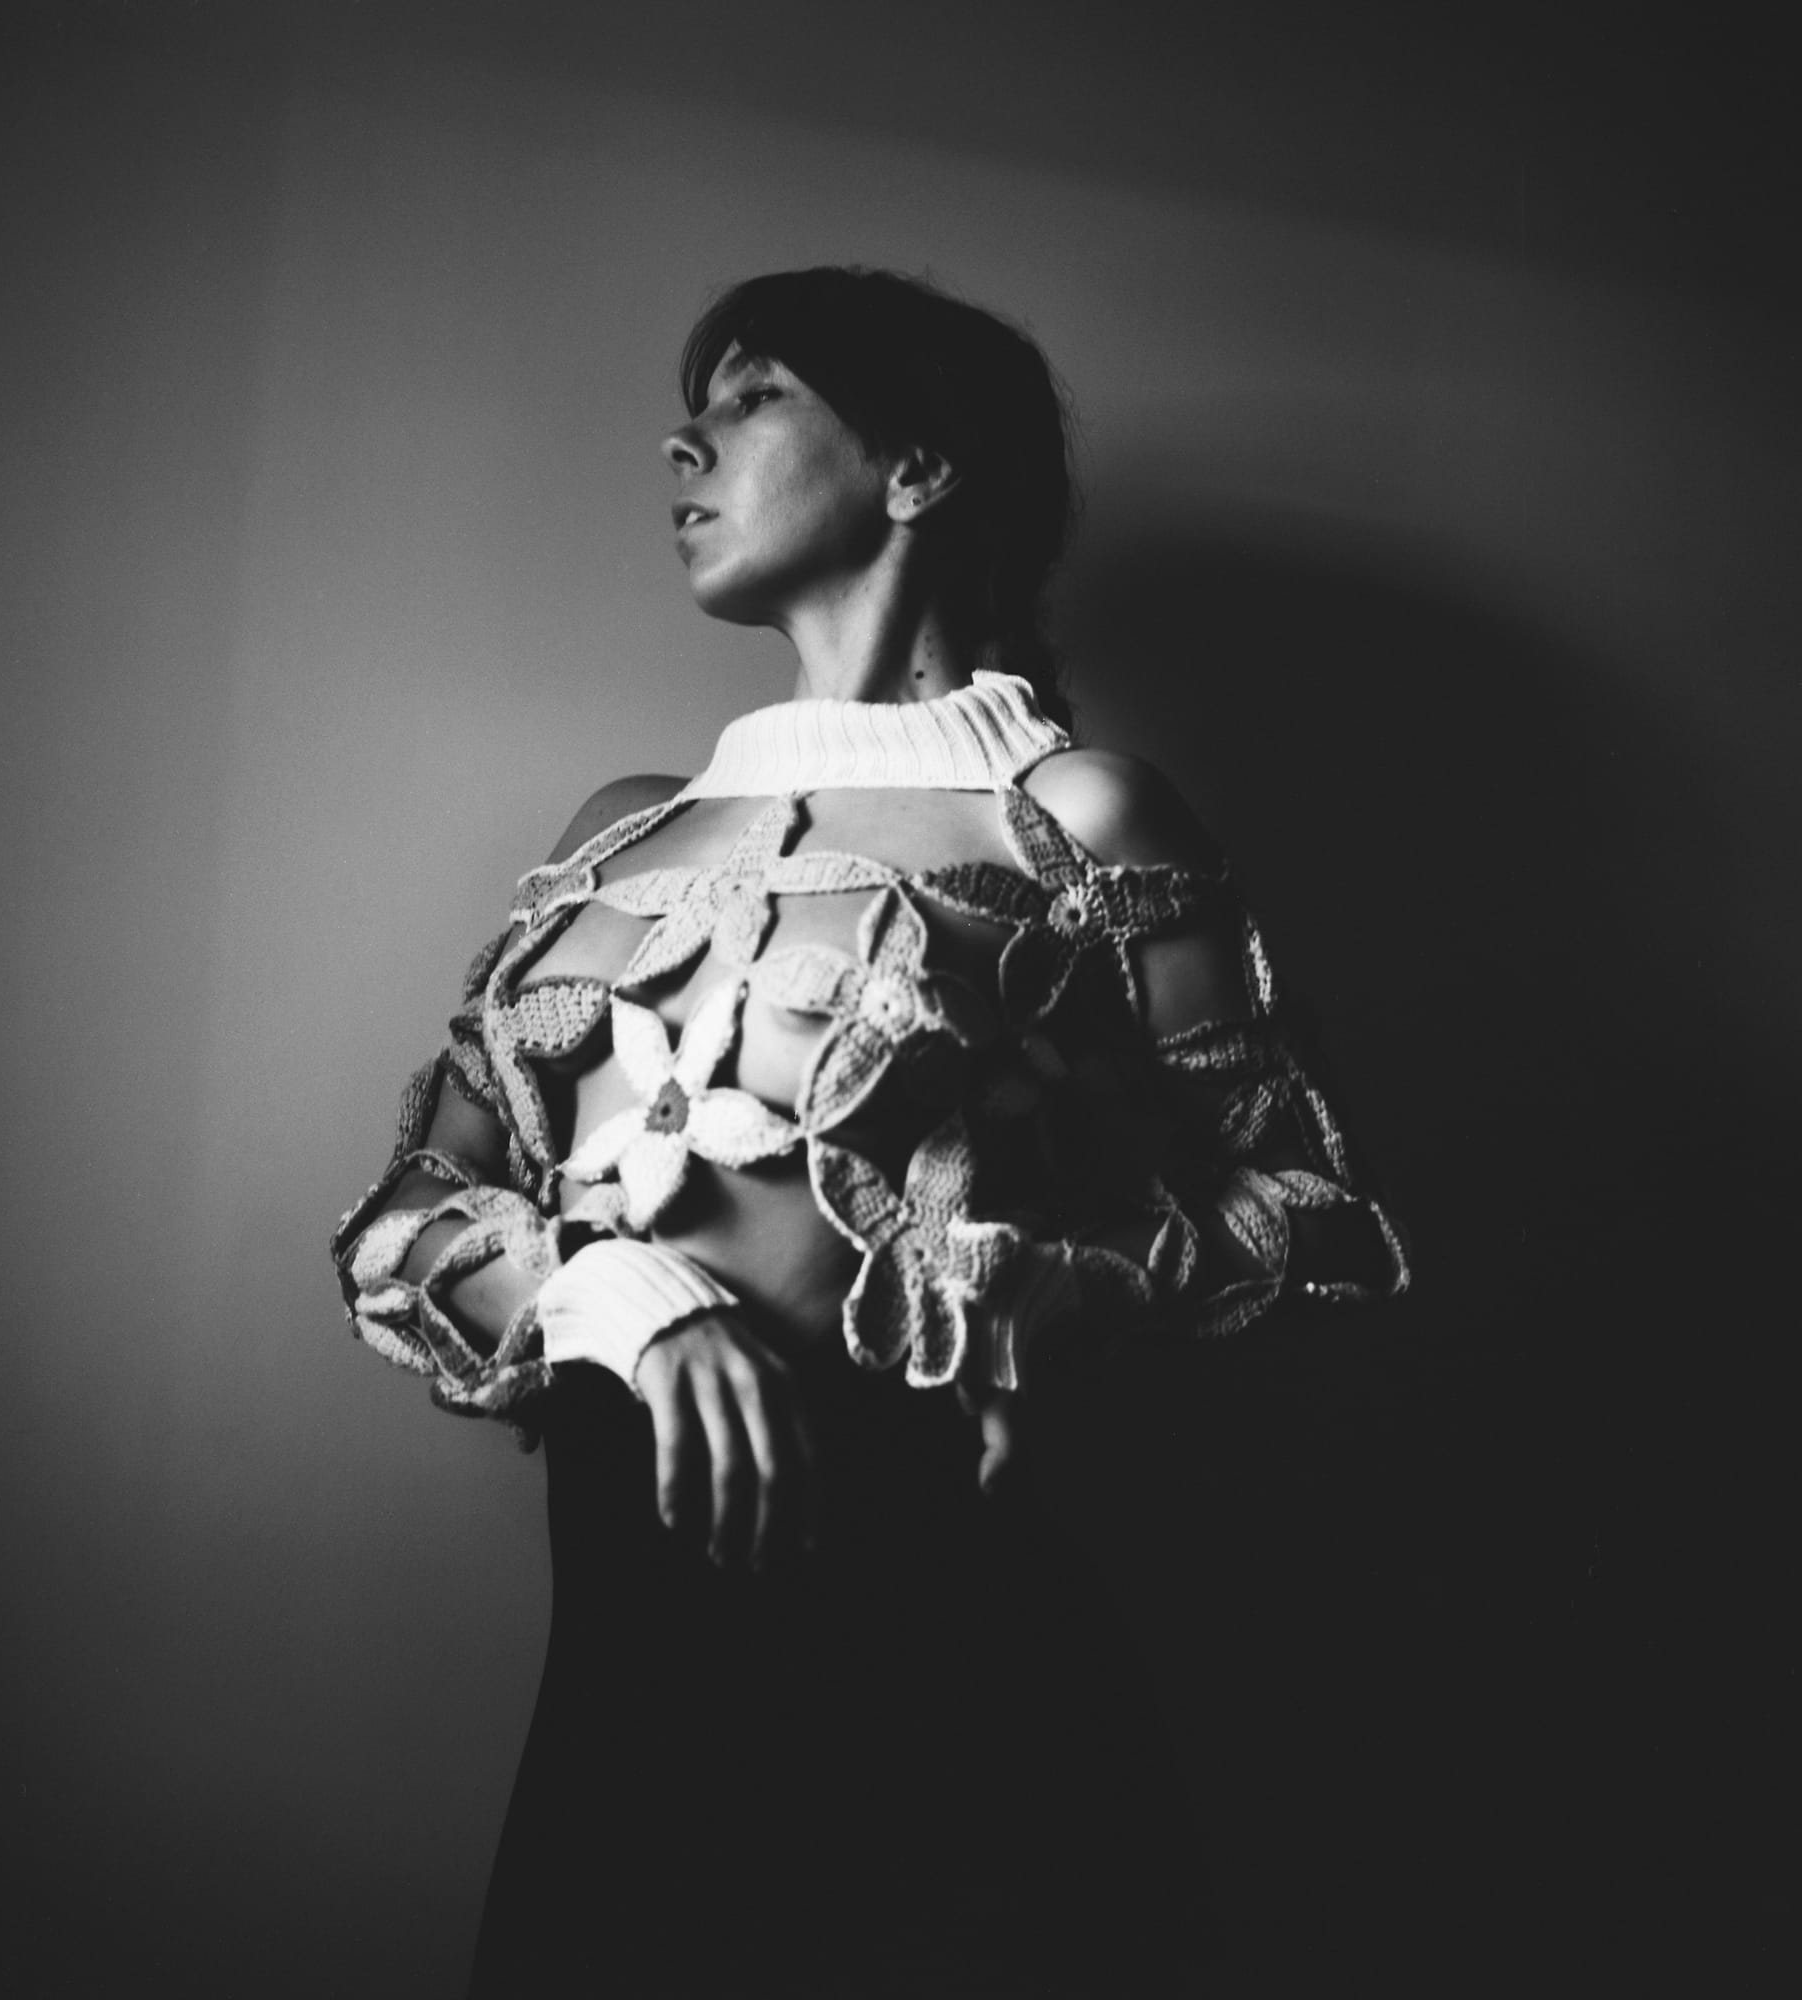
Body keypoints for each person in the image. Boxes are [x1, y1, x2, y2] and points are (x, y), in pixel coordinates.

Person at [332, 266, 1409, 1997]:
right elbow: (414, 1207)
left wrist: (1060, 1285)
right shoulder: (620, 835)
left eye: (754, 396)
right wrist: (624, 1301)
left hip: (944, 1633)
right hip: (629, 1660)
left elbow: (1309, 1206)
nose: (685, 441)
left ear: (917, 469)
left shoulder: (1078, 815)